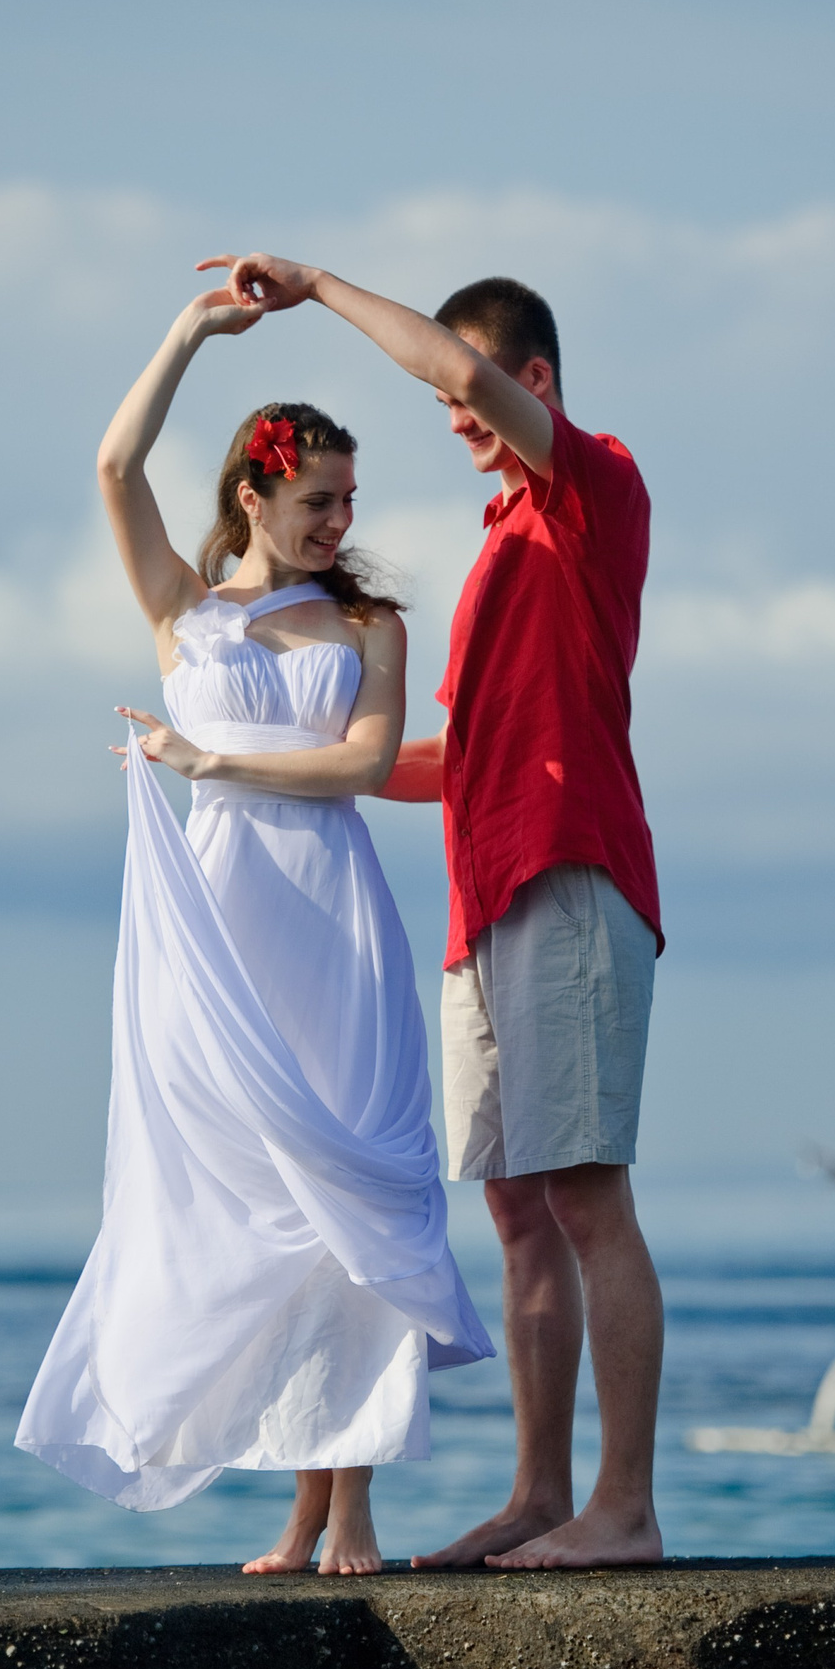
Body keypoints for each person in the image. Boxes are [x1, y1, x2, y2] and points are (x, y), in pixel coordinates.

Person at [15, 285, 494, 1576]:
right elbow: (115, 465)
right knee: (255, 1203)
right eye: (319, 501)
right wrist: (185, 334)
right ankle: (297, 1511)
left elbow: (360, 766)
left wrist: (210, 762)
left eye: (350, 499)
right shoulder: (184, 607)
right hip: (219, 931)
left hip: (334, 925)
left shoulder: (370, 624)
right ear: (254, 499)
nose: (343, 521)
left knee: (353, 1199)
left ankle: (350, 1510)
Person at [206, 254, 666, 1570]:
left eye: (474, 409)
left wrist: (318, 288)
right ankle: (539, 1496)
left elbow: (456, 368)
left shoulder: (592, 485)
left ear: (533, 382)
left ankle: (621, 1512)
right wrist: (268, 767)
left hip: (572, 881)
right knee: (520, 1214)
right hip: (485, 902)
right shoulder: (500, 547)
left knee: (589, 1199)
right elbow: (448, 758)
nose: (457, 426)